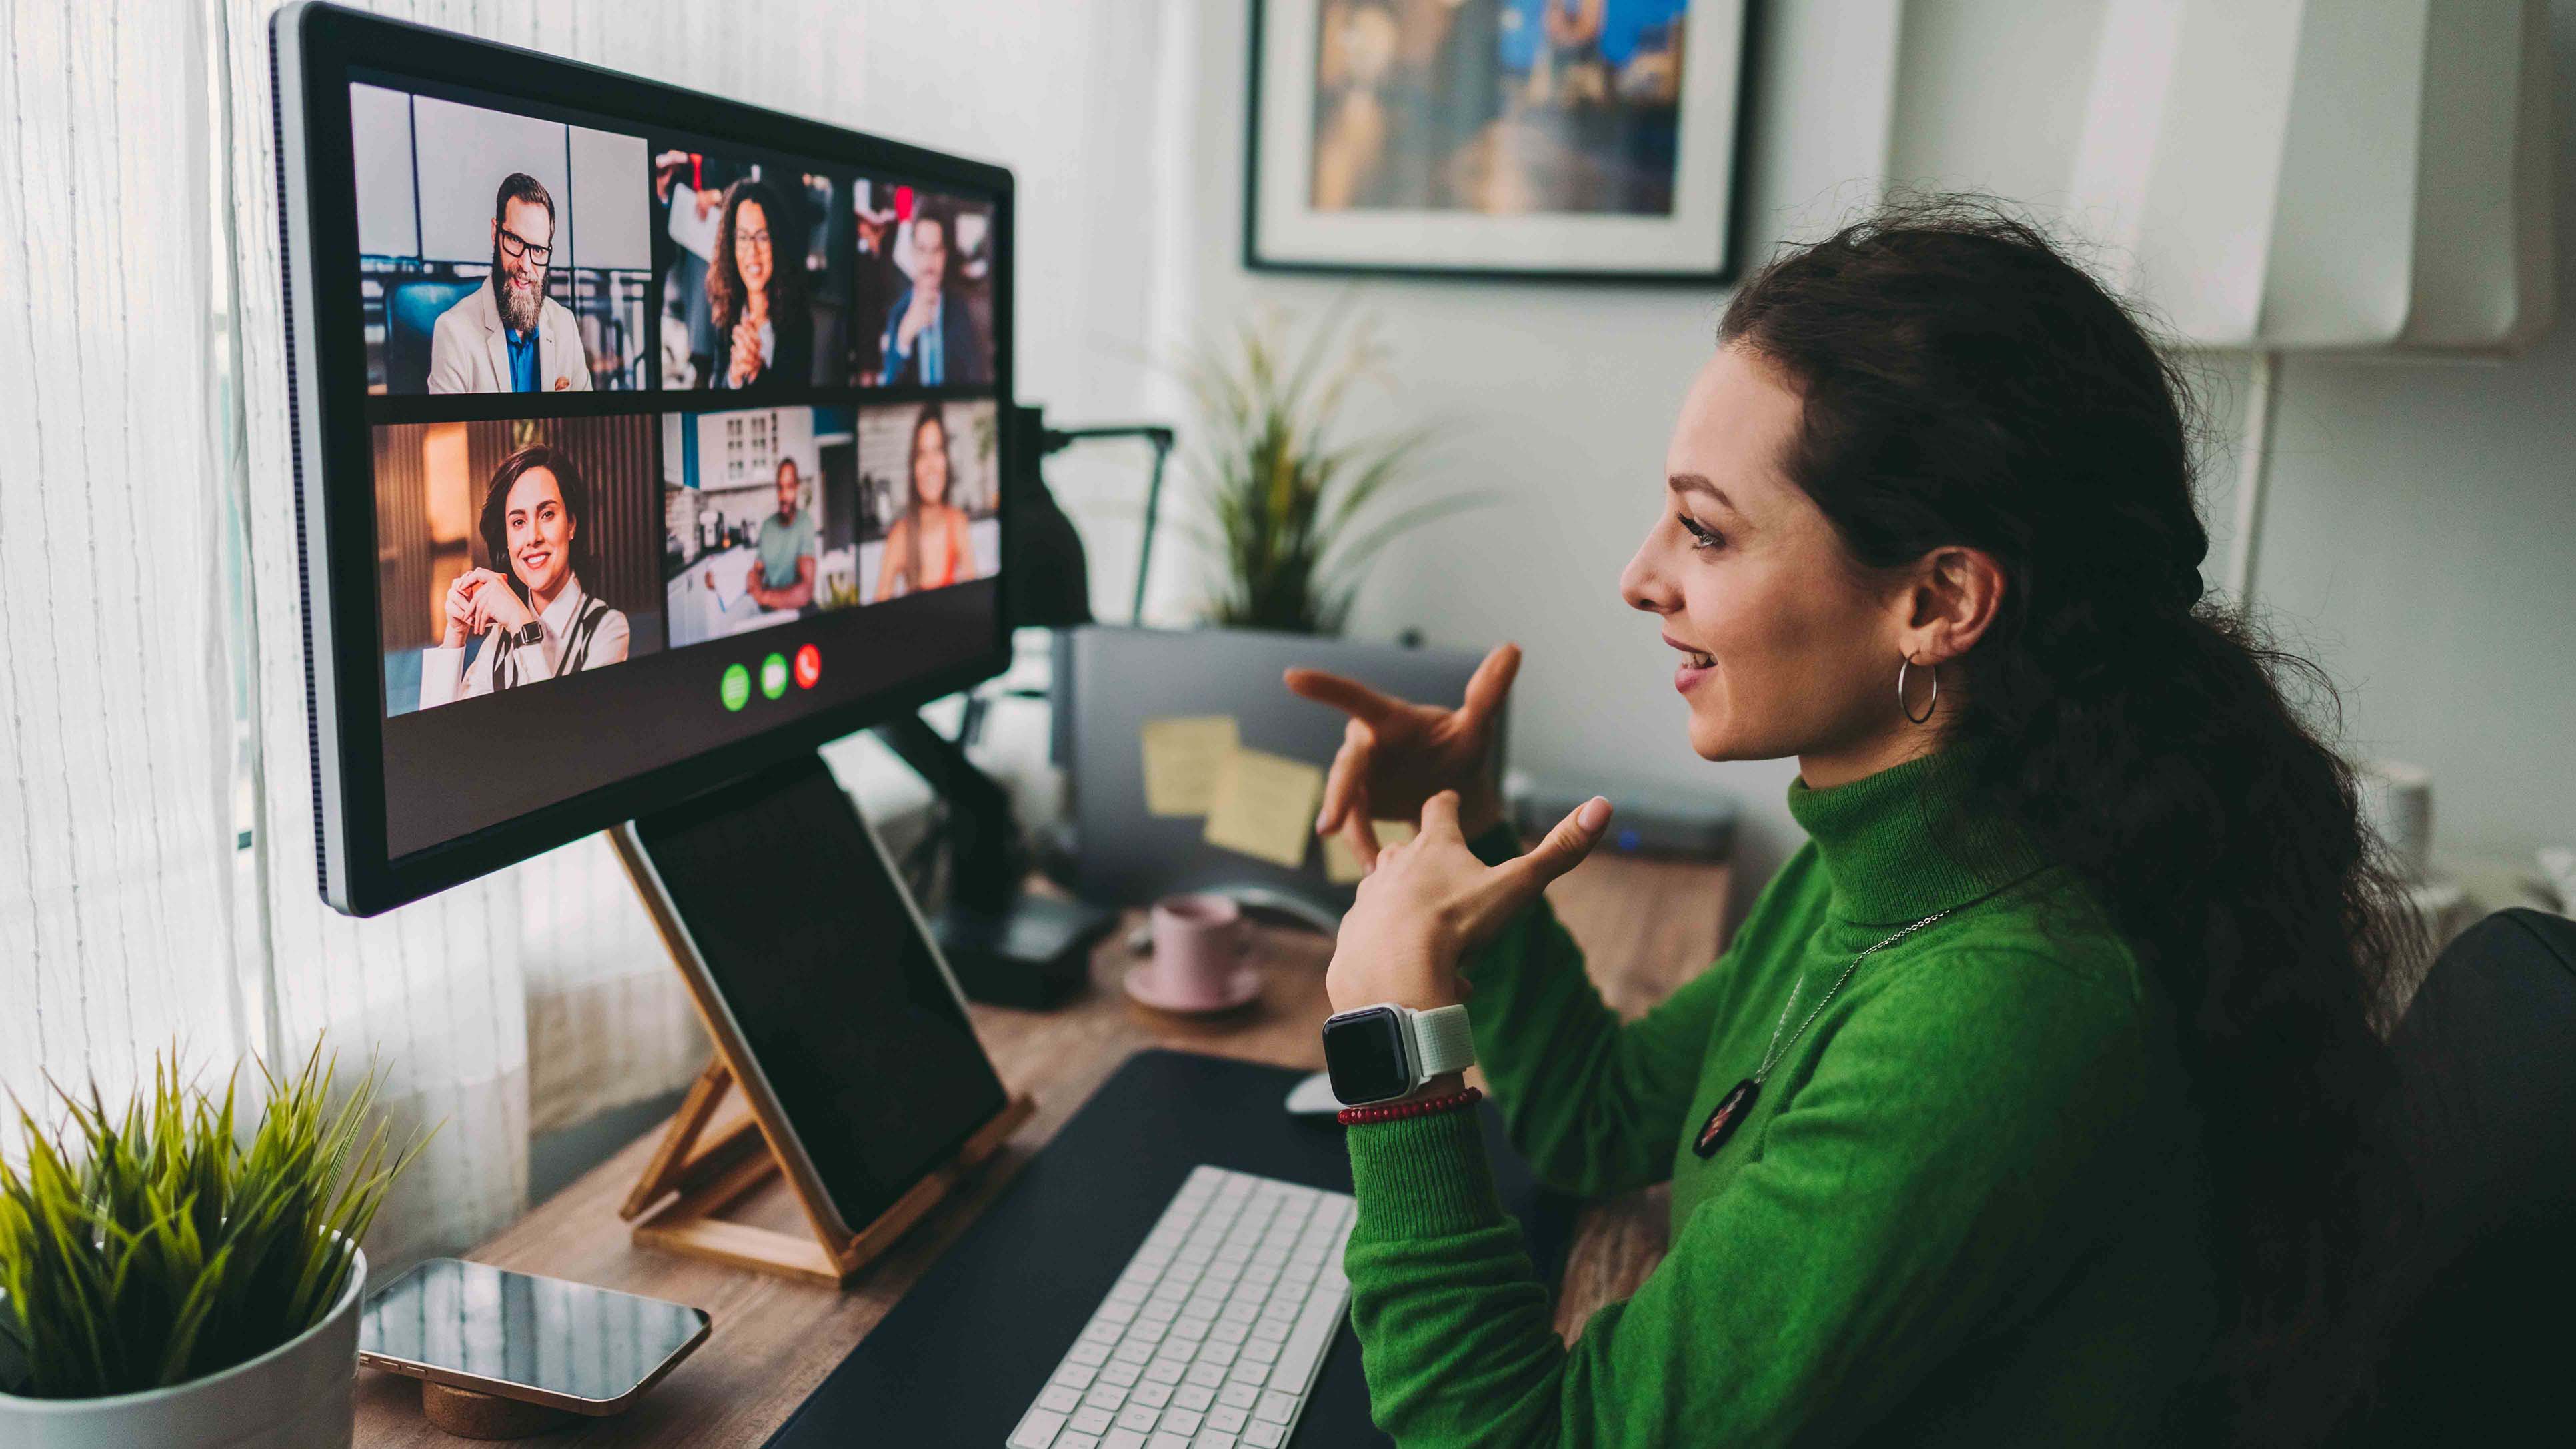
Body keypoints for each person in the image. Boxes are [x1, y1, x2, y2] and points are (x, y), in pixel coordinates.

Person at [1288, 203, 2403, 1446]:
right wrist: (1476, 828)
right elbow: (1597, 1120)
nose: (1639, 575)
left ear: (1935, 601)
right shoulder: (1899, 861)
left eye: (1703, 529)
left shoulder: (1998, 1012)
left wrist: (1390, 1036)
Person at [419, 446, 629, 709]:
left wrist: (522, 624)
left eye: (547, 514)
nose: (533, 537)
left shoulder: (607, 629)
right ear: (507, 539)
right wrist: (455, 634)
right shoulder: (498, 641)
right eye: (518, 522)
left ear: (572, 525)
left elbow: (565, 737)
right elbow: (439, 735)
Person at [426, 173, 593, 395]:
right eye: (515, 240)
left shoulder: (565, 325)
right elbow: (447, 427)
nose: (526, 265)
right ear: (496, 233)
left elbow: (586, 423)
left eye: (538, 250)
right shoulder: (453, 332)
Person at [705, 177, 813, 392]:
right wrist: (734, 375)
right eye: (743, 238)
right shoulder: (724, 314)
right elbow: (714, 391)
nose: (752, 253)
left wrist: (757, 372)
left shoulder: (799, 320)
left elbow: (796, 404)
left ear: (776, 242)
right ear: (731, 245)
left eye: (762, 237)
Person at [877, 200, 992, 387]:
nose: (929, 262)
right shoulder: (898, 315)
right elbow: (886, 393)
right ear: (913, 253)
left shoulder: (963, 311)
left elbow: (975, 382)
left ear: (945, 255)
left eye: (936, 250)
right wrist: (903, 340)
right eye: (922, 250)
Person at [872, 404, 979, 600]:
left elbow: (975, 600)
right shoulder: (900, 536)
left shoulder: (957, 523)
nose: (931, 465)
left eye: (937, 450)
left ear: (946, 459)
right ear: (913, 467)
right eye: (922, 454)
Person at [716, 456, 816, 613]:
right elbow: (758, 570)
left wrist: (763, 597)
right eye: (780, 488)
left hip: (798, 611)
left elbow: (805, 592)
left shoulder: (805, 523)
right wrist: (718, 577)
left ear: (797, 487)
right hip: (771, 611)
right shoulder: (767, 526)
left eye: (789, 487)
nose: (783, 495)